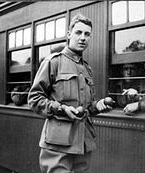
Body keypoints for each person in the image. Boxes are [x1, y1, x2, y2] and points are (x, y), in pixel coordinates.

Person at [28, 14, 111, 173]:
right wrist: (61, 109)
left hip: (83, 145)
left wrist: (98, 106)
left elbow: (87, 107)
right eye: (78, 32)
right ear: (68, 34)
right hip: (58, 144)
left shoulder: (87, 69)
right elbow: (34, 99)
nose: (83, 38)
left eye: (87, 34)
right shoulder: (53, 62)